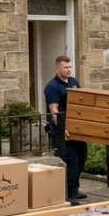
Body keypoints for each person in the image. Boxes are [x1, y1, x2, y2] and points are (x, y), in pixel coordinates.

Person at [44, 55, 87, 204]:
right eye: (66, 67)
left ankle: (75, 188)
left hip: (77, 129)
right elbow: (54, 111)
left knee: (82, 158)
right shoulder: (52, 87)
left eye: (70, 67)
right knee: (71, 162)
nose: (69, 70)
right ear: (57, 68)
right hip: (63, 132)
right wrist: (62, 129)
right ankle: (70, 194)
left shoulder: (74, 82)